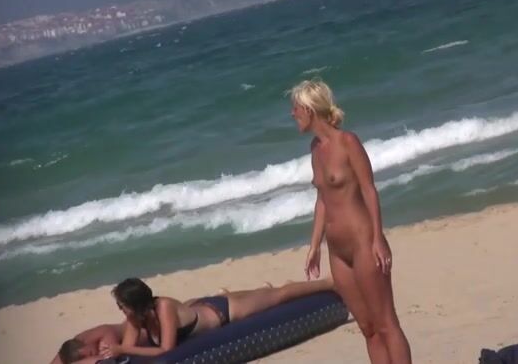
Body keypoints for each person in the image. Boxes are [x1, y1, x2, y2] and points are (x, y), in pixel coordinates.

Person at [289, 79, 412, 364]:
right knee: (368, 328)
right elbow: (322, 198)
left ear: (310, 109)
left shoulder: (348, 142)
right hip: (338, 252)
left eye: (296, 107)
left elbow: (369, 190)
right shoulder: (315, 149)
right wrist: (314, 246)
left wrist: (378, 239)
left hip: (363, 242)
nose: (292, 113)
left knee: (386, 323)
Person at [99, 276, 334, 359]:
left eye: (122, 305)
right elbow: (126, 350)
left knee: (279, 296)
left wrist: (123, 349)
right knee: (262, 294)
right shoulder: (135, 318)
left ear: (136, 304)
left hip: (223, 311)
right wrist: (116, 352)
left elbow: (166, 349)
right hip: (198, 307)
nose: (120, 310)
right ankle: (259, 291)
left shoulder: (164, 308)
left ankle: (328, 282)